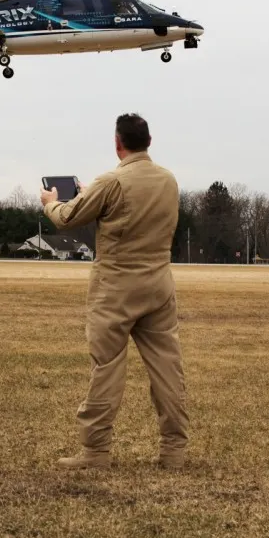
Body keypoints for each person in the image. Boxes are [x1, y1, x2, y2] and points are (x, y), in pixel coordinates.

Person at [40, 113, 188, 470]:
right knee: (167, 367)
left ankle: (96, 451)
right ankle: (174, 451)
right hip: (159, 284)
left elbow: (68, 217)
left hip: (116, 288)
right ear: (149, 141)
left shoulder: (111, 181)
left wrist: (50, 202)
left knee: (107, 367)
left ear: (117, 144)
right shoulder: (169, 181)